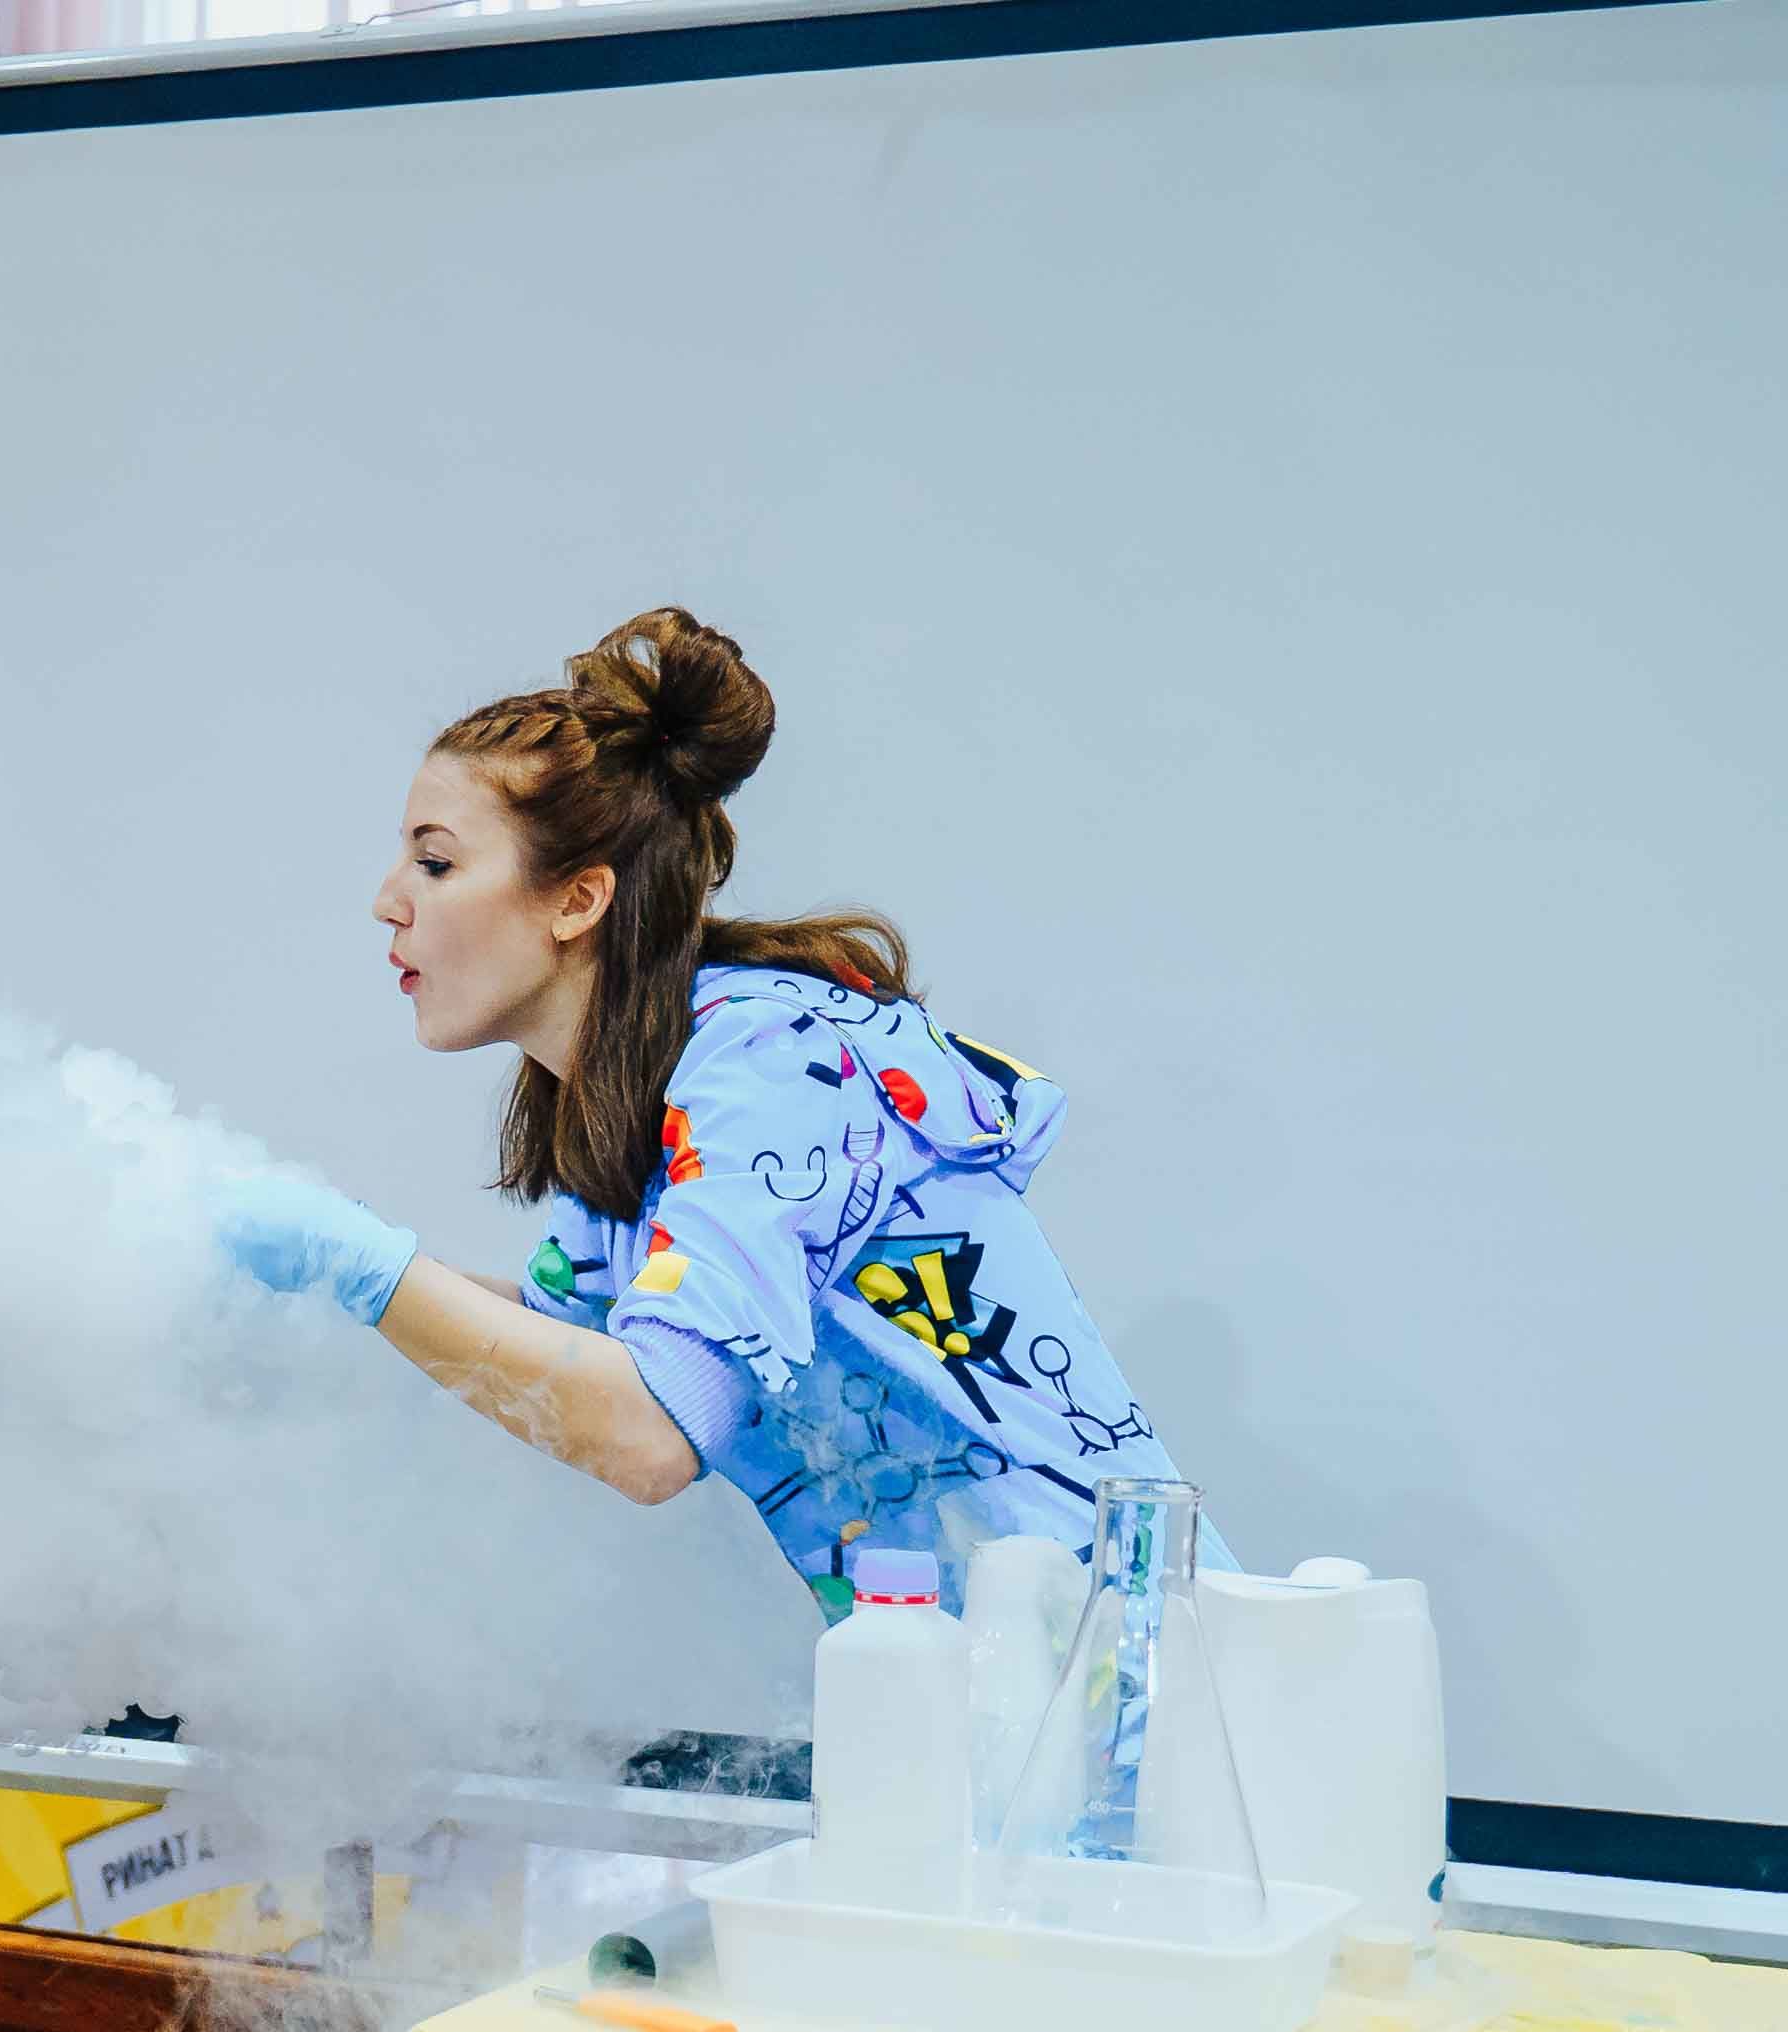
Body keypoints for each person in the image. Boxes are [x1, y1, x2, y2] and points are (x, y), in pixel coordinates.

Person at [212, 609, 1193, 1612]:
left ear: (578, 900)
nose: (388, 900)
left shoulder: (767, 1065)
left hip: (1110, 1666)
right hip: (964, 1666)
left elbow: (648, 1431)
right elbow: (563, 1350)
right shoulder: (637, 1100)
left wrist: (358, 1261)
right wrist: (300, 1264)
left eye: (435, 862)